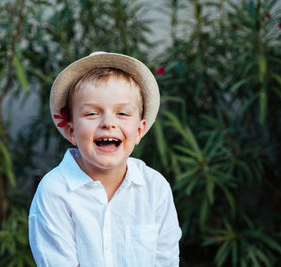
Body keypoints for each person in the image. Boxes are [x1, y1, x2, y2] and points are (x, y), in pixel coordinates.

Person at [29, 52, 182, 267]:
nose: (108, 122)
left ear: (139, 131)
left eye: (123, 114)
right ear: (71, 131)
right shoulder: (55, 192)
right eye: (92, 114)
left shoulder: (155, 188)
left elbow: (166, 260)